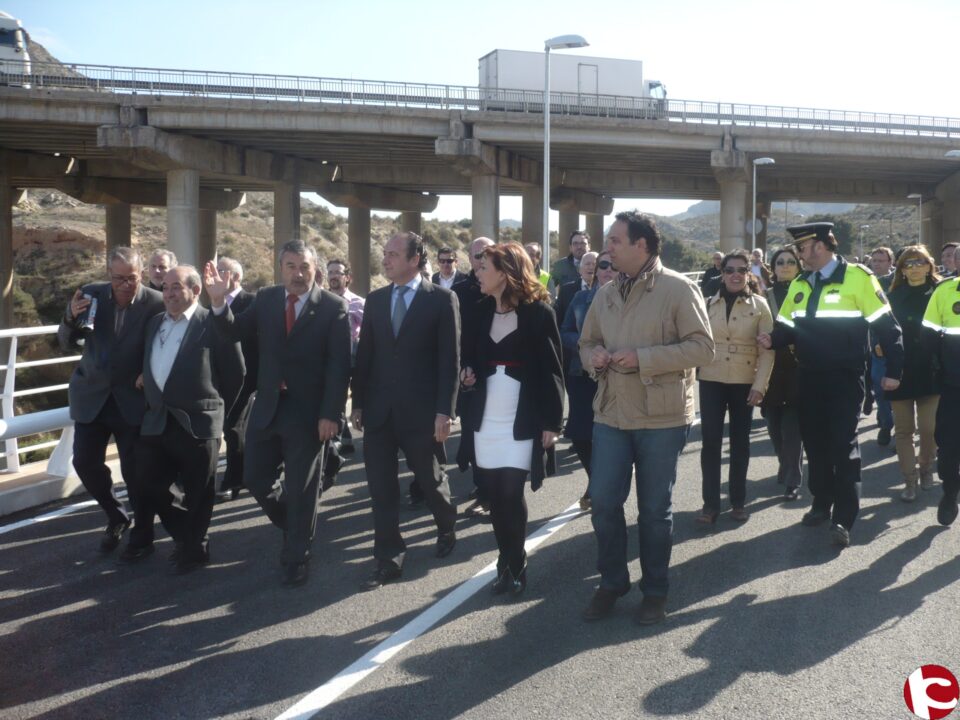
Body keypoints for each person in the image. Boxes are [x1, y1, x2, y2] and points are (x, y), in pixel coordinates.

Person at [578, 211, 714, 624]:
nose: (608, 248)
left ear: (642, 246)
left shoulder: (678, 289)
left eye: (616, 240)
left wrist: (644, 359)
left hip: (662, 417)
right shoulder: (605, 293)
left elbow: (702, 349)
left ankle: (655, 591)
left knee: (654, 510)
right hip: (612, 413)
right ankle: (612, 581)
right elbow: (586, 343)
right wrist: (593, 359)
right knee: (602, 502)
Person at [204, 239, 351, 587]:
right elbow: (232, 331)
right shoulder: (267, 299)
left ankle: (296, 555)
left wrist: (331, 414)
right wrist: (216, 301)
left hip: (308, 413)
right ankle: (297, 523)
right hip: (268, 406)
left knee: (302, 487)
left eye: (304, 267)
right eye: (291, 267)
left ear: (314, 268)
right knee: (255, 478)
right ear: (280, 268)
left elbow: (339, 366)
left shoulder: (333, 307)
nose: (298, 274)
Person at [759, 222, 903, 548]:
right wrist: (772, 339)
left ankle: (844, 517)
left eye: (803, 246)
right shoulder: (800, 282)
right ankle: (821, 501)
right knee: (816, 445)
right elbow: (787, 327)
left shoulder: (859, 278)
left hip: (845, 378)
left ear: (821, 245)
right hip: (808, 377)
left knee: (842, 444)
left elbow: (888, 327)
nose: (798, 253)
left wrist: (894, 370)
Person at [351, 231, 460, 590]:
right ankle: (388, 556)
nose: (386, 259)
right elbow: (365, 355)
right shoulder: (376, 300)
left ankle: (446, 524)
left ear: (415, 259)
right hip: (380, 413)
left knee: (429, 479)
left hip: (421, 412)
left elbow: (449, 361)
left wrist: (445, 411)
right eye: (385, 253)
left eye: (394, 254)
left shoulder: (442, 300)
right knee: (381, 489)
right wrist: (359, 402)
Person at [120, 266, 244, 571]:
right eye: (166, 288)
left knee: (199, 491)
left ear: (195, 291)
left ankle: (193, 547)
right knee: (146, 482)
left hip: (198, 421)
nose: (170, 294)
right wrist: (147, 380)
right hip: (158, 419)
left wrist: (215, 406)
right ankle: (188, 534)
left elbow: (235, 370)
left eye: (177, 287)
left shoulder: (210, 322)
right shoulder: (155, 323)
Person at [457, 243, 563, 596]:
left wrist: (552, 422)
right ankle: (505, 559)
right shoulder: (478, 310)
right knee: (492, 494)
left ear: (504, 272)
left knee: (509, 491)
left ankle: (515, 564)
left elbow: (552, 371)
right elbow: (467, 357)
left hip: (522, 419)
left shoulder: (539, 313)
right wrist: (467, 374)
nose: (478, 272)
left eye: (485, 267)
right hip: (486, 418)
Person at [57, 247, 164, 553]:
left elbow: (164, 344)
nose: (125, 284)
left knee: (136, 472)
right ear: (109, 275)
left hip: (133, 399)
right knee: (85, 462)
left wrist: (149, 373)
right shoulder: (90, 295)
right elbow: (65, 342)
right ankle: (116, 515)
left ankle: (143, 536)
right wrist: (69, 316)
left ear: (141, 274)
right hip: (92, 396)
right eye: (118, 278)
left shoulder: (155, 303)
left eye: (131, 278)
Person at [696, 251, 774, 524]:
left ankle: (738, 501)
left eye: (741, 269)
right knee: (711, 443)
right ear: (722, 272)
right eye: (730, 270)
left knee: (740, 444)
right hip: (711, 379)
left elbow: (768, 352)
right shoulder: (707, 304)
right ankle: (710, 505)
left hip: (744, 381)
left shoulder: (761, 306)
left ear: (748, 273)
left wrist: (760, 385)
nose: (735, 275)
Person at [561, 249, 617, 510]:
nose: (607, 270)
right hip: (581, 375)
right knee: (580, 435)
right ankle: (596, 482)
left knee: (605, 437)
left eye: (612, 266)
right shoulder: (581, 298)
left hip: (615, 378)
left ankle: (601, 487)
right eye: (603, 265)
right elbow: (565, 331)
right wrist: (585, 347)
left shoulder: (629, 301)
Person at [885, 246, 942, 502]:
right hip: (900, 369)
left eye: (920, 262)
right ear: (901, 270)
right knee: (903, 431)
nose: (914, 267)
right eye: (908, 263)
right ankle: (909, 480)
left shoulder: (942, 292)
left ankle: (926, 466)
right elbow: (881, 329)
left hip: (933, 369)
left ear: (930, 265)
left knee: (929, 429)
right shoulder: (893, 297)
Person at [763, 247, 805, 501]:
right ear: (773, 267)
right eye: (780, 262)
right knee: (774, 427)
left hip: (800, 367)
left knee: (792, 430)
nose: (786, 266)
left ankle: (793, 478)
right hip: (771, 369)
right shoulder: (763, 296)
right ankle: (785, 463)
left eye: (791, 262)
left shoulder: (807, 291)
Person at [214, 256, 256, 503]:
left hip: (246, 378)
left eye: (222, 271)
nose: (217, 276)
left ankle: (233, 479)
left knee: (233, 429)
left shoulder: (252, 302)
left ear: (236, 277)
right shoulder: (213, 304)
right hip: (218, 378)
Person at [922, 268, 960, 525]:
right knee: (948, 448)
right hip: (953, 386)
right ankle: (950, 492)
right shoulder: (945, 290)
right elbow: (929, 337)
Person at [327, 258, 364, 455]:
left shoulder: (359, 303)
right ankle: (342, 437)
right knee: (336, 397)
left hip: (353, 356)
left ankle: (346, 434)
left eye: (337, 273)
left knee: (353, 397)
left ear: (347, 277)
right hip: (330, 359)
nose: (333, 276)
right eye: (330, 272)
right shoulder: (322, 300)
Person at [867, 247, 897, 446]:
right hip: (874, 346)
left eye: (881, 260)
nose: (877, 264)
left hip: (896, 343)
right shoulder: (866, 283)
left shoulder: (898, 283)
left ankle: (902, 431)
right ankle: (886, 424)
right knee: (879, 388)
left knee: (899, 390)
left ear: (890, 262)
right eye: (874, 260)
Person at [554, 251, 597, 340]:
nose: (591, 267)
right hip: (573, 346)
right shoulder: (567, 290)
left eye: (595, 264)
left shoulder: (607, 290)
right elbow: (558, 319)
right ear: (579, 270)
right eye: (587, 264)